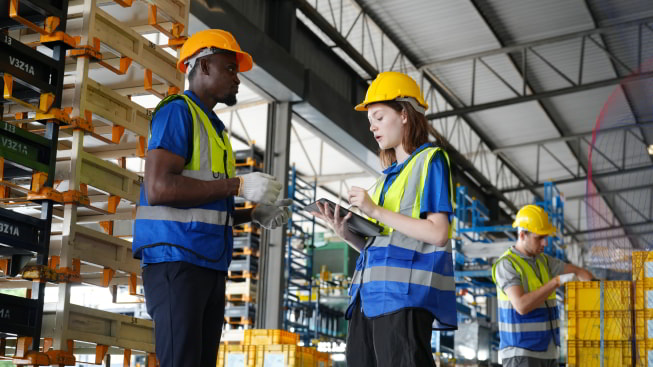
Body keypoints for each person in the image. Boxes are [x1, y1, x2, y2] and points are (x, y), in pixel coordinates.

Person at [132, 29, 291, 367]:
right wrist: (238, 186)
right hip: (176, 261)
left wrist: (254, 214)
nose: (237, 80)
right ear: (202, 66)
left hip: (205, 264)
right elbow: (160, 188)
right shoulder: (178, 112)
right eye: (230, 69)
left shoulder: (215, 129)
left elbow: (206, 205)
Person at [314, 71, 457, 367]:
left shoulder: (431, 161)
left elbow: (438, 233)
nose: (373, 128)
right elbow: (385, 244)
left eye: (379, 117)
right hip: (367, 301)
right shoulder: (384, 182)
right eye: (370, 122)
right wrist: (347, 234)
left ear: (404, 114)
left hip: (404, 299)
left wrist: (375, 211)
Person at [492, 204, 593, 367]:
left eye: (545, 237)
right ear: (522, 235)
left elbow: (579, 271)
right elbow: (521, 306)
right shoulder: (507, 264)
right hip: (522, 353)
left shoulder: (544, 261)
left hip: (548, 351)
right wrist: (556, 282)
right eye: (539, 238)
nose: (545, 243)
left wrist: (598, 288)